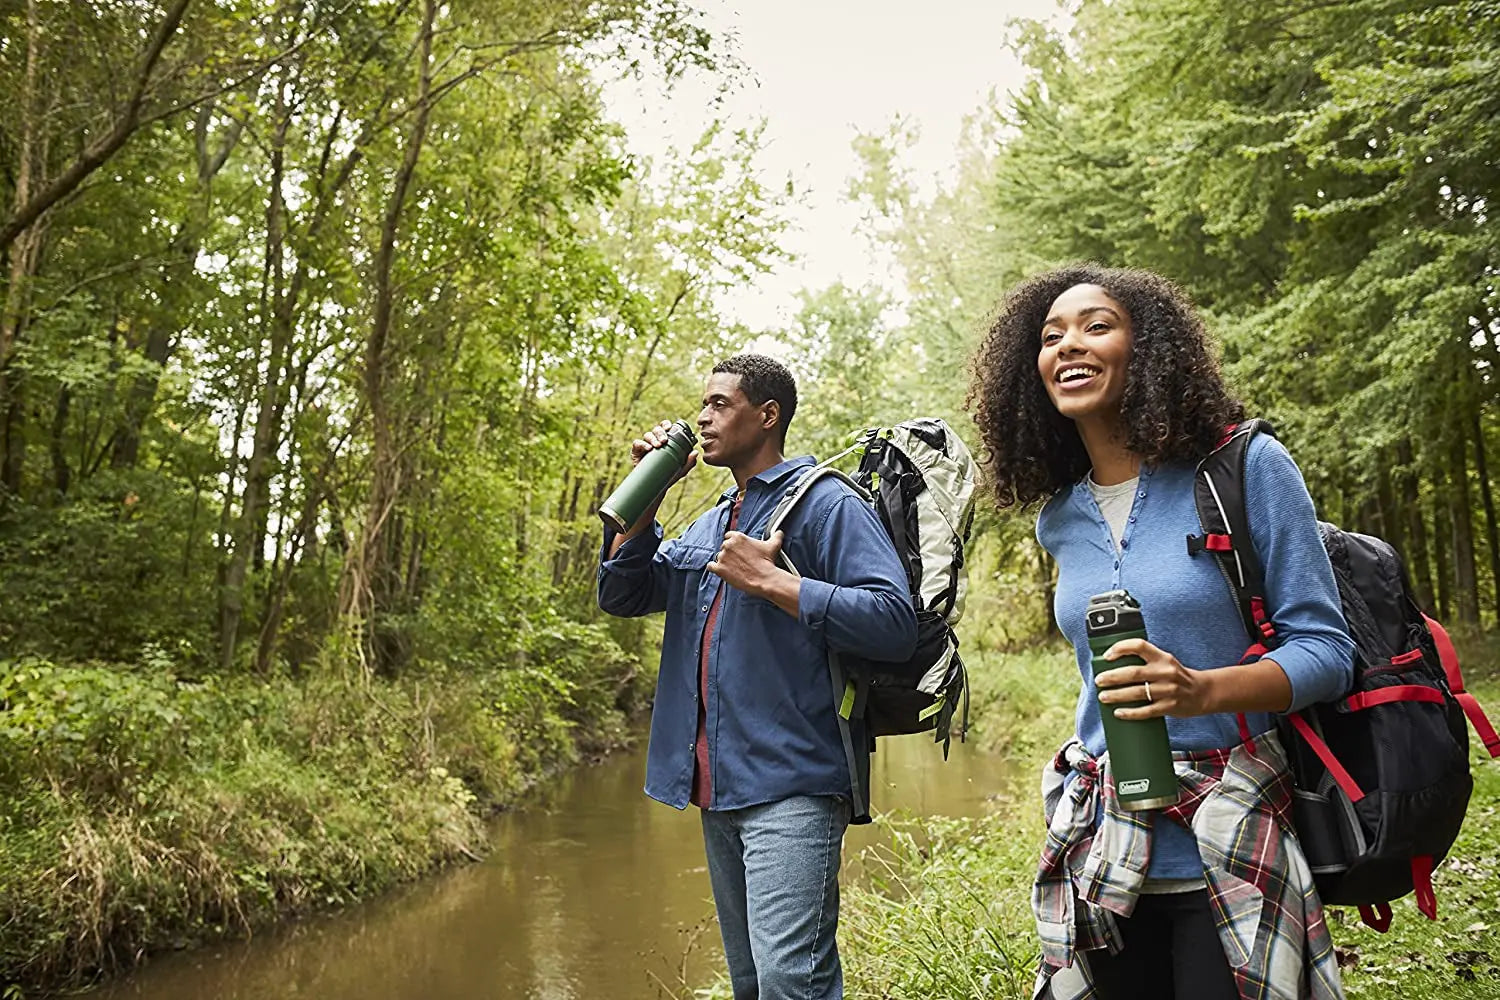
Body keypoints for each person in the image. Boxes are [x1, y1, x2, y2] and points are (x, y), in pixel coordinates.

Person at [966, 265, 1356, 1000]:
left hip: (1231, 834)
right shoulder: (1060, 517)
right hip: (1106, 841)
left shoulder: (1244, 469)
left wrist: (1201, 689)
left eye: (1096, 325)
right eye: (1051, 337)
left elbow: (1327, 651)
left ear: (1147, 350)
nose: (1068, 345)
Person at [598, 353, 917, 1000]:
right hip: (718, 789)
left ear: (767, 415)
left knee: (789, 983)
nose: (703, 417)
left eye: (720, 404)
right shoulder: (716, 519)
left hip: (794, 784)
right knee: (751, 983)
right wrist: (647, 489)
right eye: (702, 404)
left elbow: (894, 621)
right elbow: (623, 595)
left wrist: (775, 582)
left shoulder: (825, 504)